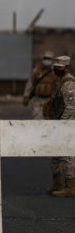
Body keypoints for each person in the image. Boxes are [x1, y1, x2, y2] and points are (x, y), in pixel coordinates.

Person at [43, 56, 75, 197]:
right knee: (54, 153)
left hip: (66, 125)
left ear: (66, 68)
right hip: (57, 123)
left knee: (67, 155)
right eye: (55, 67)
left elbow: (71, 107)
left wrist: (63, 124)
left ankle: (70, 186)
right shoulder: (59, 81)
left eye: (59, 68)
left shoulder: (69, 83)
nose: (56, 70)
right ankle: (57, 183)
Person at [22, 50, 58, 119]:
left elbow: (58, 85)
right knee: (37, 119)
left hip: (50, 100)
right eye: (45, 58)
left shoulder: (55, 72)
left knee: (49, 121)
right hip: (37, 100)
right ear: (42, 59)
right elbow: (30, 84)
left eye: (49, 59)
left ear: (52, 60)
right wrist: (26, 96)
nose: (47, 60)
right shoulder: (36, 71)